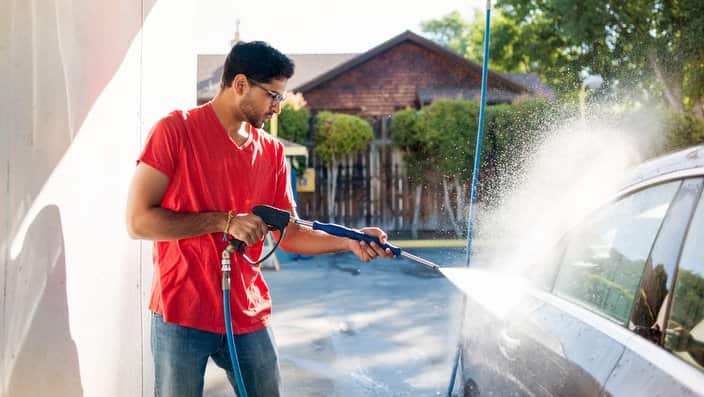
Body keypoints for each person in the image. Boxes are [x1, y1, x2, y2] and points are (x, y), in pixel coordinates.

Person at [125, 40, 394, 397]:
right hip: (181, 310)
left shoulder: (270, 152)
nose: (277, 106)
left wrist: (349, 239)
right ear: (239, 85)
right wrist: (223, 221)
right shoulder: (175, 131)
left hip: (246, 312)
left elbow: (292, 234)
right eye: (272, 95)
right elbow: (138, 221)